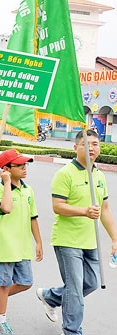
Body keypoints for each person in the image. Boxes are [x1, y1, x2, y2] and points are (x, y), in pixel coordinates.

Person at [36, 130, 117, 335]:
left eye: (96, 144)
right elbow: (58, 206)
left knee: (91, 283)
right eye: (86, 144)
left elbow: (105, 209)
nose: (91, 148)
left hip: (91, 241)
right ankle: (72, 331)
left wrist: (115, 238)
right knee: (75, 290)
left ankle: (51, 297)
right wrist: (84, 211)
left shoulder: (99, 175)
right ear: (75, 148)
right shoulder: (65, 174)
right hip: (67, 240)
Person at [0, 149, 43, 335]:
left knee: (26, 282)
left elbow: (33, 218)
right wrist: (5, 183)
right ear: (6, 169)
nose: (24, 168)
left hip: (22, 247)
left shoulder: (28, 190)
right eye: (19, 165)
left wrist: (38, 242)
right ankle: (0, 322)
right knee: (3, 285)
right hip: (5, 246)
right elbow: (7, 208)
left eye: (25, 164)